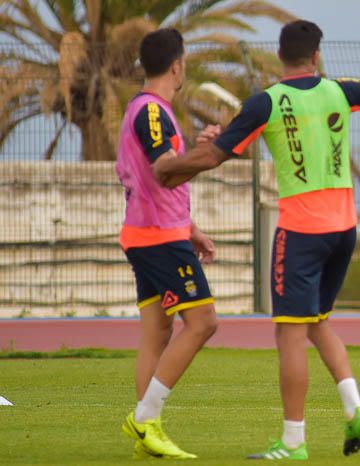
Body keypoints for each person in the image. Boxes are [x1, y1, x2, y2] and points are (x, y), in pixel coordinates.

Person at [153, 19, 360, 461]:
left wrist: (166, 170)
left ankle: (293, 441)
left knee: (289, 335)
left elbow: (212, 157)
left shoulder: (267, 103)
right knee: (317, 322)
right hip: (344, 228)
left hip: (301, 231)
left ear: (281, 57)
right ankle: (355, 410)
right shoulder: (341, 91)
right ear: (316, 56)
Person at [116, 28, 218, 459]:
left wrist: (190, 226)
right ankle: (145, 419)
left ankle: (147, 434)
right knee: (202, 322)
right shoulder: (153, 112)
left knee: (157, 332)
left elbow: (157, 179)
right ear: (177, 65)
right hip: (158, 239)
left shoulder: (148, 110)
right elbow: (163, 170)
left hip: (150, 232)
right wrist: (210, 154)